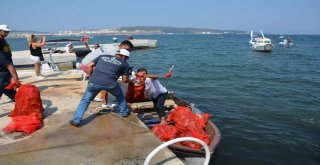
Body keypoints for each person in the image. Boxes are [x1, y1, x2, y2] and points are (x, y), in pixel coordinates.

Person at [70, 49, 132, 127]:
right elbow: (124, 80)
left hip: (94, 82)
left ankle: (77, 120)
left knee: (85, 100)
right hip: (110, 85)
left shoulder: (102, 56)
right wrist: (131, 81)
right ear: (123, 56)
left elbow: (89, 65)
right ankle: (125, 112)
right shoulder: (125, 64)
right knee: (120, 96)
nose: (126, 59)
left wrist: (90, 76)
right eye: (126, 58)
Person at [80, 40, 134, 108]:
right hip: (89, 65)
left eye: (129, 51)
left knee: (102, 81)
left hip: (85, 63)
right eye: (127, 49)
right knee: (105, 80)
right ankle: (104, 103)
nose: (128, 52)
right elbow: (111, 65)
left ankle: (100, 97)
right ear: (122, 46)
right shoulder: (114, 52)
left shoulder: (112, 47)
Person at [0, 24, 20, 101]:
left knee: (4, 87)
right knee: (4, 87)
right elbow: (8, 64)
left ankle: (16, 97)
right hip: (3, 71)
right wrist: (15, 78)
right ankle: (16, 97)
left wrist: (14, 77)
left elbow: (9, 60)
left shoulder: (3, 41)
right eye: (5, 31)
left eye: (7, 32)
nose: (7, 33)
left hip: (5, 71)